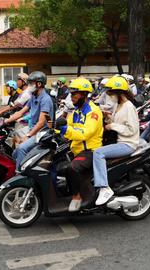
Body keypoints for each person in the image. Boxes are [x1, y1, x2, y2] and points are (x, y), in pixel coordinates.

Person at [55, 77, 104, 212]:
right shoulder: (76, 112)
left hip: (90, 151)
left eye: (74, 94)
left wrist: (65, 130)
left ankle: (77, 196)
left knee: (72, 168)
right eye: (71, 94)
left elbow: (84, 133)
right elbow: (67, 125)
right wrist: (53, 129)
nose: (72, 97)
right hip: (76, 149)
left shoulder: (93, 112)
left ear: (83, 94)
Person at [92, 76, 139, 205]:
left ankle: (104, 188)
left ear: (119, 92)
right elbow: (116, 123)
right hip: (118, 141)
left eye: (111, 92)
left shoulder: (128, 106)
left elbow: (132, 129)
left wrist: (112, 126)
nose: (109, 95)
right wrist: (107, 118)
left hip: (127, 144)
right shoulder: (118, 105)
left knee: (98, 153)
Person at [5, 71, 54, 169]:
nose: (29, 86)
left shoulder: (45, 99)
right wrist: (6, 121)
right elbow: (21, 112)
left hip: (42, 134)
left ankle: (20, 174)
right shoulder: (34, 97)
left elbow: (41, 123)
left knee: (21, 149)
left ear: (39, 84)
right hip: (33, 130)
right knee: (14, 152)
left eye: (31, 83)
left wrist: (28, 136)